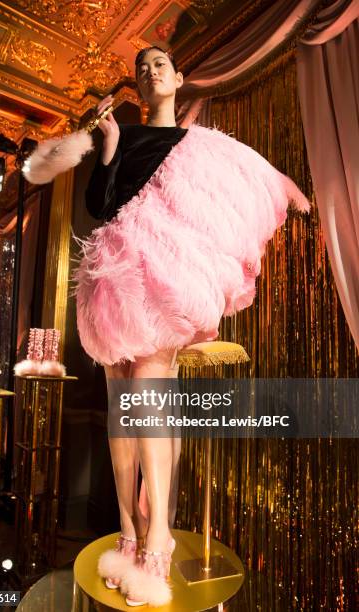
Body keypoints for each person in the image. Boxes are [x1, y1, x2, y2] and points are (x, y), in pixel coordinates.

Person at [74, 45, 310, 607]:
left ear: (178, 78)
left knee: (148, 405)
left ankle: (158, 541)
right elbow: (99, 206)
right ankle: (130, 533)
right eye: (140, 67)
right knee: (119, 409)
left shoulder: (198, 146)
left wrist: (287, 192)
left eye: (159, 64)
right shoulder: (124, 139)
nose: (149, 71)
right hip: (111, 280)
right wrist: (109, 144)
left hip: (160, 281)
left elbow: (251, 175)